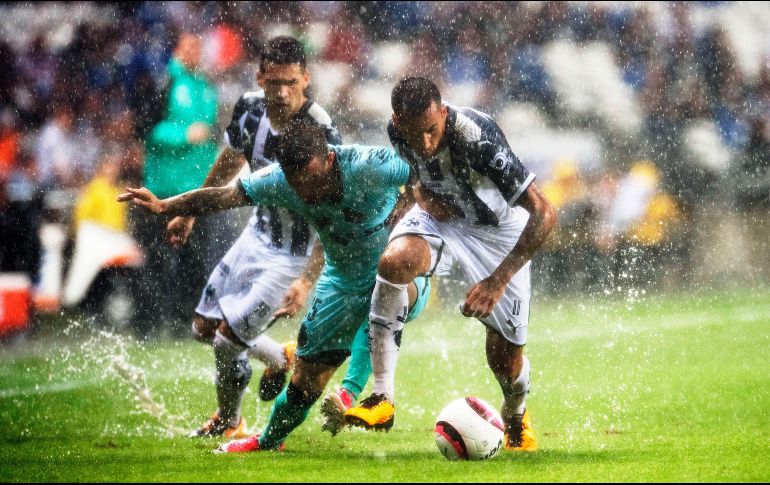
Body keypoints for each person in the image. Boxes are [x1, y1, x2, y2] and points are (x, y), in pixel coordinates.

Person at [118, 119, 430, 453]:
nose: (307, 192)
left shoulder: (369, 165)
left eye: (312, 180)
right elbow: (226, 195)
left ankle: (373, 398)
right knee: (304, 383)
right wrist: (167, 205)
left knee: (387, 287)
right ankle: (267, 441)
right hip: (340, 282)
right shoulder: (280, 181)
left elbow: (425, 175)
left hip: (401, 274)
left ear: (328, 159)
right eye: (298, 185)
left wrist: (409, 204)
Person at [163, 36, 375, 439]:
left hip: (293, 256)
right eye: (273, 81)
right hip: (256, 234)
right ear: (259, 76)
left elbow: (332, 217)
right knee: (203, 328)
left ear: (306, 79)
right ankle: (280, 358)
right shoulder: (248, 109)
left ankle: (230, 419)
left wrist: (307, 279)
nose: (280, 92)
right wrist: (190, 212)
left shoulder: (323, 131)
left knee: (228, 341)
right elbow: (230, 160)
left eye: (290, 82)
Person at [343, 77, 556, 452]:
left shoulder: (479, 139)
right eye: (413, 133)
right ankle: (381, 398)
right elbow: (416, 171)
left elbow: (544, 212)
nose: (423, 143)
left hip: (497, 232)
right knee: (394, 262)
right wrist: (420, 193)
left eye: (431, 130)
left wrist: (497, 280)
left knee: (504, 361)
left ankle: (517, 416)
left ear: (443, 112)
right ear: (397, 120)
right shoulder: (397, 131)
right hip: (444, 219)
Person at [134, 31, 218, 338]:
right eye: (189, 46)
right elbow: (144, 130)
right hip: (164, 188)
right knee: (155, 258)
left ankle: (185, 323)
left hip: (197, 191)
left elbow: (212, 136)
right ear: (177, 49)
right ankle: (148, 325)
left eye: (198, 46)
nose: (195, 52)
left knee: (193, 261)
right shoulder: (163, 81)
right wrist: (182, 135)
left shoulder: (207, 87)